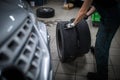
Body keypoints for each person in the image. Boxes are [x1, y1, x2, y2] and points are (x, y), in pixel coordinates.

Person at [67, 0, 120, 80]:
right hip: (108, 16)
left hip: (112, 18)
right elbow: (97, 4)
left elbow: (82, 11)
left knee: (101, 47)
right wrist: (87, 14)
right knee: (100, 36)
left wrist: (73, 23)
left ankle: (102, 76)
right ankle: (98, 51)